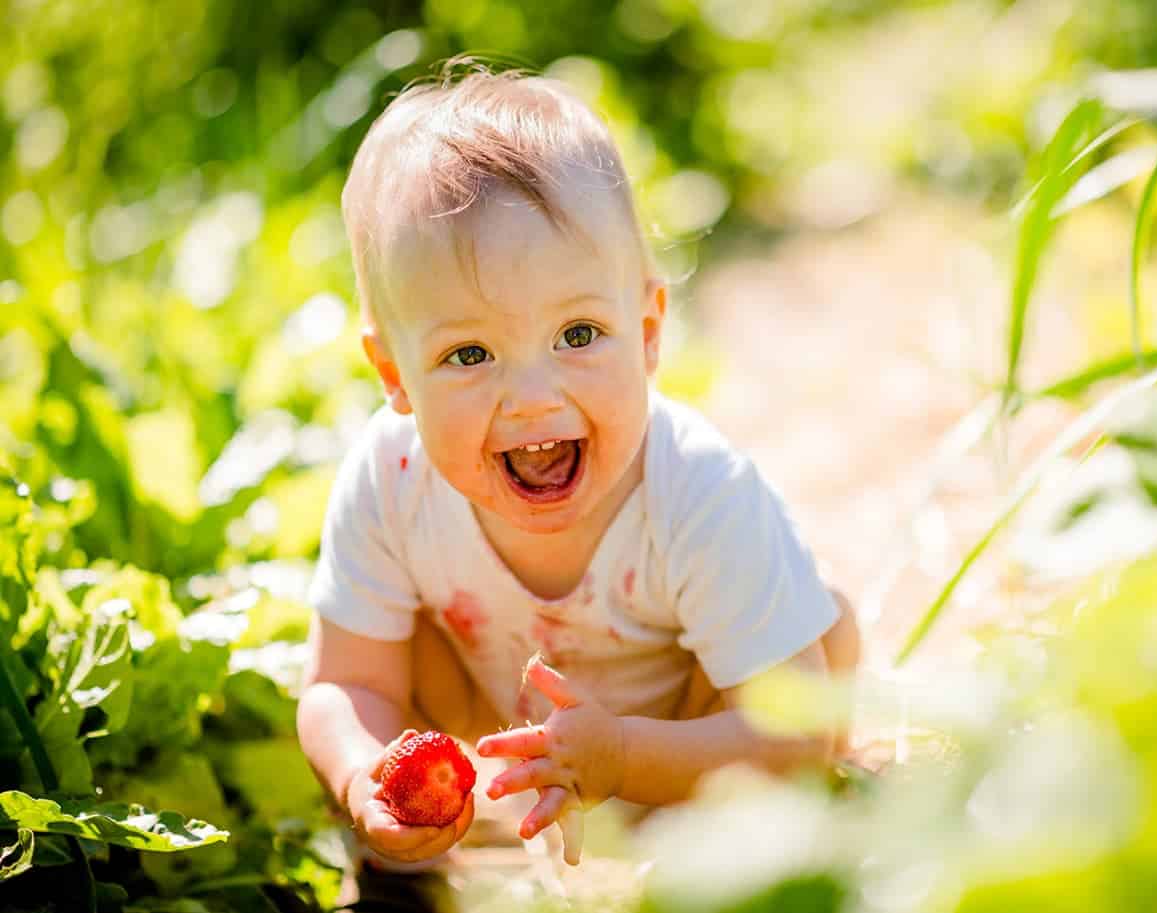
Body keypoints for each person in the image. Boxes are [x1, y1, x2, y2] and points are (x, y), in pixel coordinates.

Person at [295, 58, 861, 873]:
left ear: (650, 328)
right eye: (469, 352)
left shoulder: (698, 491)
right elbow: (343, 685)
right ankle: (424, 877)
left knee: (814, 647)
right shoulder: (393, 484)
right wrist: (365, 777)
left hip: (694, 762)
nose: (531, 396)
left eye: (579, 334)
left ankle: (713, 859)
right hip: (505, 764)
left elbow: (795, 733)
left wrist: (623, 756)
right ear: (395, 378)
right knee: (387, 660)